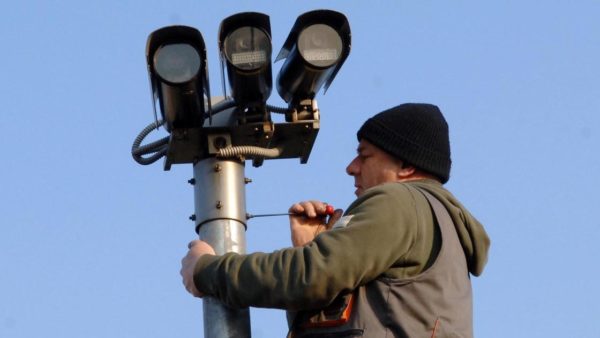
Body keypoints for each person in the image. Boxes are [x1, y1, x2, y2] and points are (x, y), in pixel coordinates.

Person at [181, 103, 490, 337]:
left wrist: (208, 270)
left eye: (365, 155)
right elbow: (324, 292)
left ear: (406, 166)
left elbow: (311, 276)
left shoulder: (399, 201)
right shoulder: (438, 225)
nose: (351, 167)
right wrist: (314, 247)